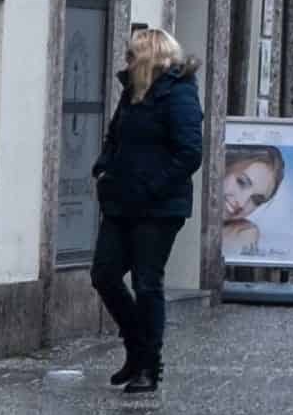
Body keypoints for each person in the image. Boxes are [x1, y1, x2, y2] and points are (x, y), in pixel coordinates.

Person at [88, 23, 205, 392]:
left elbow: (190, 152)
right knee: (104, 274)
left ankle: (148, 366)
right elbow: (115, 134)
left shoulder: (179, 94)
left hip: (159, 207)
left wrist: (153, 187)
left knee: (146, 282)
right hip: (121, 201)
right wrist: (104, 165)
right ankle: (136, 346)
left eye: (130, 55)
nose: (125, 60)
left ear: (148, 59)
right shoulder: (133, 93)